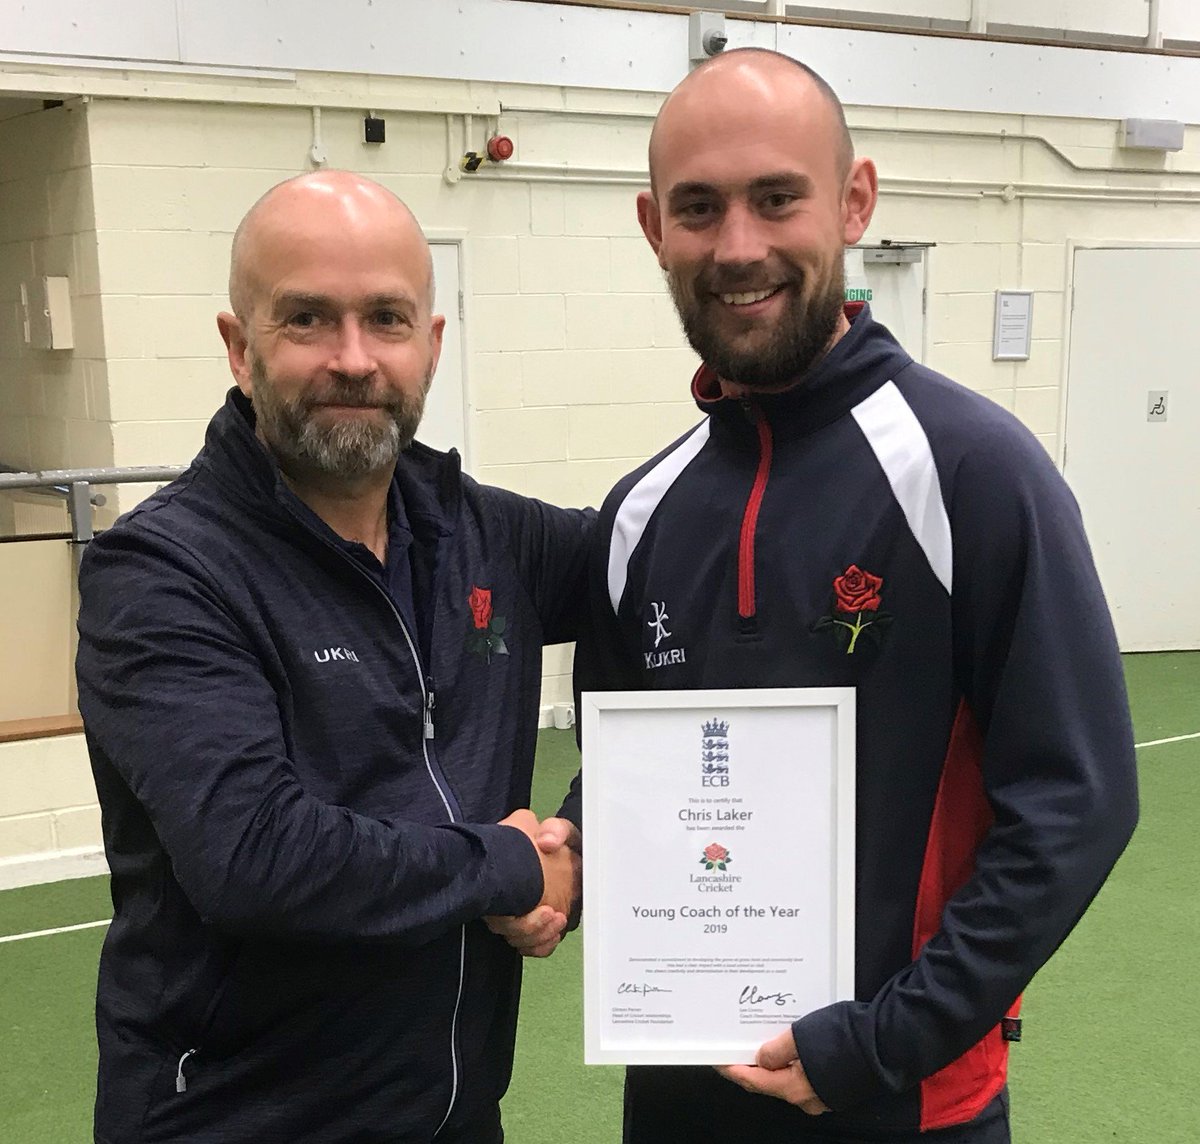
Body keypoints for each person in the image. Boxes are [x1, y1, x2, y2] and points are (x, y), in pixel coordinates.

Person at [562, 48, 1138, 1143]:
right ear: (654, 229)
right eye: (699, 208)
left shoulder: (973, 470)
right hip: (682, 1100)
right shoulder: (640, 511)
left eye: (777, 198)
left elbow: (1079, 801)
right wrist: (570, 853)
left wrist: (882, 1040)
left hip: (899, 1099)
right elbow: (635, 772)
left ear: (855, 201)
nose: (739, 246)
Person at [76, 170, 588, 1144]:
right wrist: (505, 863)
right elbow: (254, 852)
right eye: (307, 319)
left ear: (430, 345)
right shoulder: (163, 572)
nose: (353, 358)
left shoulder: (485, 536)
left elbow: (675, 591)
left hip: (456, 1118)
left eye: (387, 319)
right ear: (240, 345)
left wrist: (590, 835)